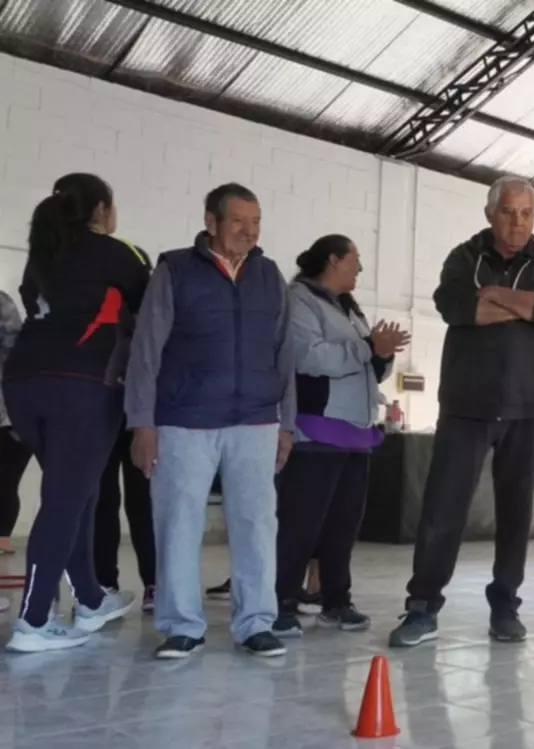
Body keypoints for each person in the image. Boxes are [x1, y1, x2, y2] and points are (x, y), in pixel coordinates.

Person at [389, 176, 534, 648]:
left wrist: (492, 295)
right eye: (508, 212)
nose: (517, 222)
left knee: (517, 512)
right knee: (443, 508)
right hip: (466, 405)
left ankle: (505, 604)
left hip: (528, 406)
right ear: (491, 214)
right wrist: (526, 302)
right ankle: (423, 606)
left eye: (526, 213)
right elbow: (456, 308)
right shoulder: (464, 257)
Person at [126, 183, 296, 660]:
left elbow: (284, 352)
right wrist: (142, 423)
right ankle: (181, 626)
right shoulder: (175, 269)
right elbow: (146, 350)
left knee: (257, 524)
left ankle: (256, 622)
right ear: (211, 221)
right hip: (184, 420)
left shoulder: (269, 275)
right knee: (179, 523)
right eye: (238, 220)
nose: (249, 230)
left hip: (256, 421)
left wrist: (287, 423)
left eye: (256, 221)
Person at [3, 173, 150, 652]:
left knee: (77, 490)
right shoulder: (119, 252)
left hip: (23, 384)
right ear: (102, 209)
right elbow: (150, 313)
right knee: (66, 499)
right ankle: (34, 621)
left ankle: (90, 599)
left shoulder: (43, 254)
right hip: (83, 384)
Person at [272, 235, 409, 637]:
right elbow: (308, 357)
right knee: (300, 524)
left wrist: (383, 353)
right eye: (355, 260)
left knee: (343, 526)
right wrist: (368, 347)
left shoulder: (349, 308)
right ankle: (280, 601)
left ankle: (336, 601)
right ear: (333, 260)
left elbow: (369, 369)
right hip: (316, 431)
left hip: (356, 434)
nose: (360, 268)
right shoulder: (300, 300)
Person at [95, 424, 156, 612]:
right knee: (102, 503)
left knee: (143, 502)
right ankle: (104, 584)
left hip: (142, 420)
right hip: (101, 420)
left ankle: (154, 582)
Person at [0, 289, 30, 559]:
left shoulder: (1, 303)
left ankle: (2, 538)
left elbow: (16, 350)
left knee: (5, 480)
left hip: (8, 415)